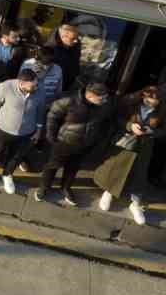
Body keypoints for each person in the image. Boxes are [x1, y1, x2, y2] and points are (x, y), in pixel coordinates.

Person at [90, 85, 161, 224]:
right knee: (117, 168)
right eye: (148, 98)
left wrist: (152, 132)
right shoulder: (131, 104)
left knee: (139, 174)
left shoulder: (162, 112)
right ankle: (109, 192)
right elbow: (117, 120)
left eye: (155, 100)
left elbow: (164, 131)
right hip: (126, 142)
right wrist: (130, 126)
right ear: (143, 95)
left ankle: (135, 204)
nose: (151, 102)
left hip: (144, 146)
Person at [36, 82, 116, 206]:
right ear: (90, 96)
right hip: (63, 142)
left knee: (73, 168)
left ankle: (65, 188)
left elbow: (106, 122)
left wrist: (97, 139)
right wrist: (51, 136)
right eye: (102, 98)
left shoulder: (103, 106)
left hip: (85, 144)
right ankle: (44, 187)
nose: (105, 100)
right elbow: (52, 115)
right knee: (52, 165)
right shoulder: (69, 100)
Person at [0, 67, 41, 195]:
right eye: (32, 86)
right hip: (4, 129)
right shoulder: (5, 87)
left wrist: (39, 129)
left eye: (36, 84)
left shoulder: (40, 91)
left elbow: (40, 111)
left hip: (26, 132)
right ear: (21, 83)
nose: (36, 88)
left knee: (16, 156)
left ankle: (7, 175)